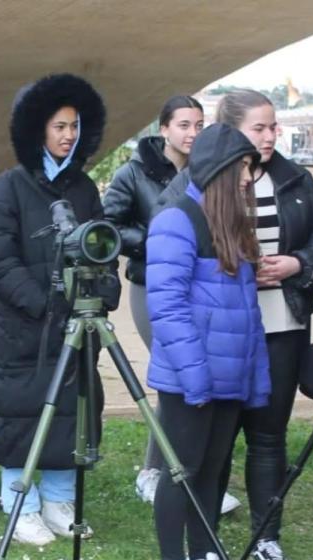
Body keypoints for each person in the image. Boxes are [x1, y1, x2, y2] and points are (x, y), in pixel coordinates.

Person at [160, 88, 313, 560]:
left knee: (267, 436)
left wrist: (297, 263)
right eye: (258, 128)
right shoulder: (190, 194)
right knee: (205, 449)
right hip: (216, 334)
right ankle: (197, 546)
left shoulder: (295, 178)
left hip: (275, 323)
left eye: (273, 127)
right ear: (230, 133)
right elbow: (169, 274)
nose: (269, 136)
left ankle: (266, 537)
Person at [0, 73, 117, 546]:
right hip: (27, 327)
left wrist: (104, 290)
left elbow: (102, 246)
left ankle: (59, 500)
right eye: (59, 126)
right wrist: (40, 304)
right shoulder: (8, 188)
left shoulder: (84, 189)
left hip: (78, 323)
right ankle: (22, 504)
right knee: (23, 411)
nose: (68, 135)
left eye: (74, 126)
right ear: (39, 128)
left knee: (72, 414)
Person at [147, 122, 269, 560]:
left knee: (214, 469)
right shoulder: (176, 221)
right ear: (219, 169)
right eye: (241, 166)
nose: (246, 177)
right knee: (182, 470)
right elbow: (167, 307)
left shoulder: (232, 228)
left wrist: (252, 379)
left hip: (228, 379)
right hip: (190, 379)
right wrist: (196, 377)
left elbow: (247, 313)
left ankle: (204, 552)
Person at [101, 95, 213, 505]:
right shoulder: (134, 173)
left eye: (199, 125)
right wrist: (152, 243)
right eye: (184, 125)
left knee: (192, 377)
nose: (193, 134)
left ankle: (180, 469)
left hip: (199, 287)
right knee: (175, 373)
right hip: (152, 284)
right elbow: (108, 226)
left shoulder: (209, 172)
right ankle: (156, 472)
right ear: (163, 129)